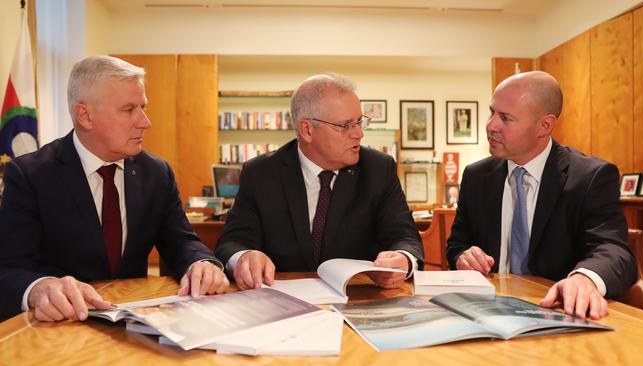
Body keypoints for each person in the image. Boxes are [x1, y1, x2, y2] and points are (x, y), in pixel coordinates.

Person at [0, 55, 229, 322]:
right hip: (61, 327)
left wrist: (201, 263)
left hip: (135, 325)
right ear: (84, 116)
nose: (145, 121)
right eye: (129, 109)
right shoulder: (30, 175)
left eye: (142, 107)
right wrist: (40, 289)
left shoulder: (156, 173)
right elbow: (9, 267)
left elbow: (181, 242)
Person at [446, 71, 637, 320]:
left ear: (544, 125)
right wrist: (464, 256)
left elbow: (613, 250)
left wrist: (584, 279)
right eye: (492, 112)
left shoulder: (590, 177)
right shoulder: (476, 176)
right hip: (486, 313)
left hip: (555, 313)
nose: (491, 125)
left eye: (505, 118)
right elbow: (457, 244)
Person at [215, 74, 423, 290]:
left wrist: (403, 259)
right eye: (346, 125)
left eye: (359, 122)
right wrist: (244, 257)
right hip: (283, 301)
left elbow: (405, 237)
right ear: (307, 130)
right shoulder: (261, 173)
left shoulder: (378, 169)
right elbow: (232, 242)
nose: (359, 133)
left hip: (358, 297)